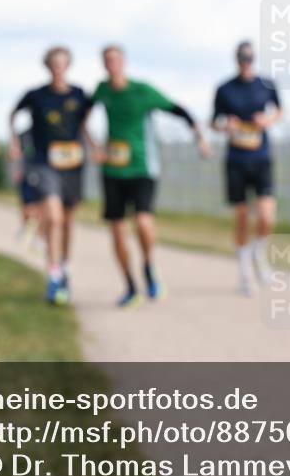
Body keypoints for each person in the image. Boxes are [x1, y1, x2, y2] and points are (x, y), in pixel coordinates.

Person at [88, 45, 211, 306]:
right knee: (118, 230)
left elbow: (178, 110)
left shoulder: (142, 91)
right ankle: (130, 286)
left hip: (143, 167)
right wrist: (95, 147)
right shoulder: (102, 91)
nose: (112, 64)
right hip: (112, 169)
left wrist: (199, 137)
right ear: (103, 64)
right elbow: (81, 117)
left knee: (143, 222)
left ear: (124, 62)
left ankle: (148, 266)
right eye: (107, 60)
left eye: (116, 59)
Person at [9, 46, 92, 305]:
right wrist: (14, 142)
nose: (58, 68)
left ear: (68, 66)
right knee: (53, 217)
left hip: (73, 164)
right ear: (47, 66)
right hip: (44, 163)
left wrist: (95, 146)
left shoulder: (79, 95)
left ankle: (64, 268)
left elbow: (83, 124)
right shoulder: (35, 96)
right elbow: (13, 114)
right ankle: (53, 275)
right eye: (54, 63)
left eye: (62, 63)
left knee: (67, 221)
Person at [211, 40, 283, 295]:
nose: (246, 62)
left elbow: (280, 111)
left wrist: (268, 119)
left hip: (261, 157)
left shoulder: (266, 85)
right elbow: (214, 123)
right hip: (236, 160)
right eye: (242, 58)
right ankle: (244, 273)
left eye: (250, 58)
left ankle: (258, 253)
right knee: (241, 217)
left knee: (266, 215)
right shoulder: (224, 89)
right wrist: (225, 126)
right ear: (236, 60)